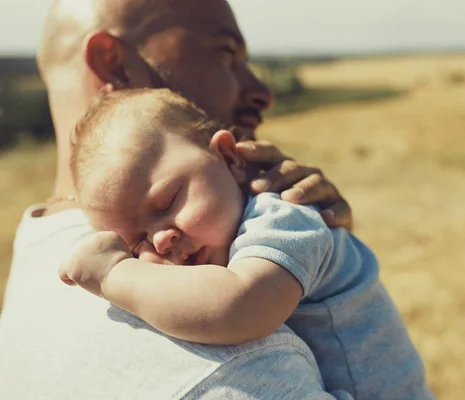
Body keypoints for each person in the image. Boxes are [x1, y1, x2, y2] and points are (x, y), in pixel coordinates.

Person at [0, 0, 371, 398]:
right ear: (114, 63)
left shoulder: (35, 250)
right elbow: (240, 307)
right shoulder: (227, 365)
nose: (263, 92)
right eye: (226, 54)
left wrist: (329, 246)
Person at [59, 88, 434, 399]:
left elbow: (237, 306)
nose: (160, 239)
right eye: (135, 241)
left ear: (227, 156)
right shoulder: (224, 238)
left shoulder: (285, 218)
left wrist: (114, 273)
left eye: (169, 200)